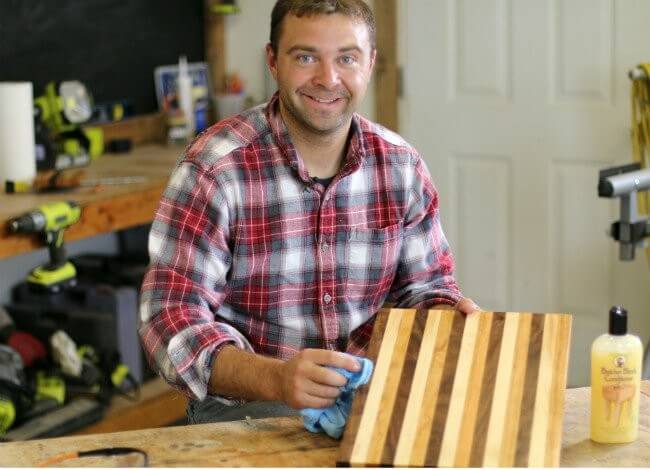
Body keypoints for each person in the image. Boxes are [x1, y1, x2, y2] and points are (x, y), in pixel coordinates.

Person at [139, 0, 478, 425]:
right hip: (248, 410)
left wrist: (448, 317)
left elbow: (427, 288)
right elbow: (168, 320)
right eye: (305, 57)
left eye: (347, 58)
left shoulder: (401, 167)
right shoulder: (214, 169)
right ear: (273, 62)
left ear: (370, 63)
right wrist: (276, 379)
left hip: (369, 399)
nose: (328, 79)